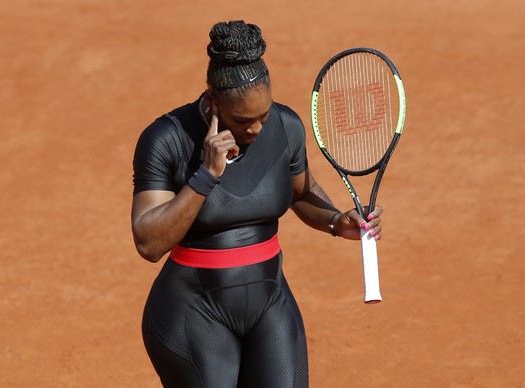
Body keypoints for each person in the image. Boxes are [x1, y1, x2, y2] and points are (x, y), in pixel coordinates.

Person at [131, 20, 383, 388]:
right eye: (242, 121)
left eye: (263, 117)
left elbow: (299, 192)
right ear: (212, 101)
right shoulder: (167, 139)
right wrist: (205, 176)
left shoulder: (286, 126)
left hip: (270, 306)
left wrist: (334, 221)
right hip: (192, 314)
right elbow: (148, 242)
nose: (256, 130)